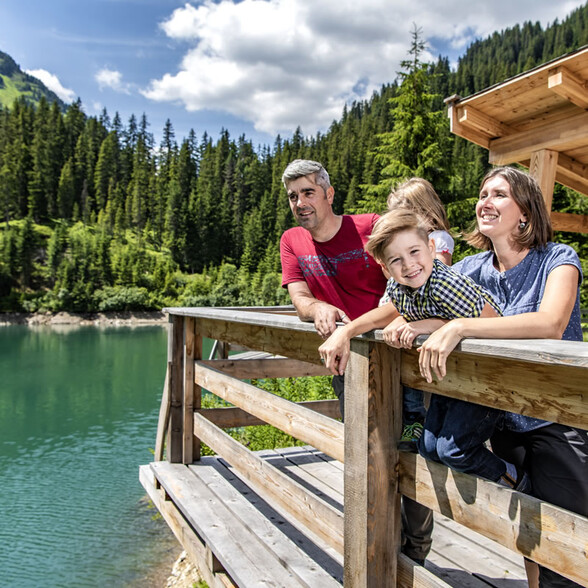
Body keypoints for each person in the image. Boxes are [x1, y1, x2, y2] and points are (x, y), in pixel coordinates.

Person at [406, 166, 587, 588]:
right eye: (483, 193)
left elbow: (550, 323)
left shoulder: (558, 259)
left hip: (558, 420)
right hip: (505, 420)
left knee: (571, 544)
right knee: (533, 537)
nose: (484, 201)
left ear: (524, 211)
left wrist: (461, 326)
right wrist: (413, 324)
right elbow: (421, 296)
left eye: (499, 194)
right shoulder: (470, 267)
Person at [279, 159, 434, 566]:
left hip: (402, 357)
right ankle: (379, 548)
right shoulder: (292, 240)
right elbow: (298, 298)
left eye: (308, 192)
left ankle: (414, 556)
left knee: (410, 450)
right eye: (293, 196)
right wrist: (318, 309)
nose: (300, 202)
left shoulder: (369, 226)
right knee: (366, 455)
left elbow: (415, 278)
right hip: (349, 365)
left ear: (329, 194)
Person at [319, 209, 531, 491]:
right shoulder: (398, 286)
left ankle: (519, 482)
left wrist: (426, 324)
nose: (409, 265)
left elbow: (492, 324)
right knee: (429, 448)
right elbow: (383, 314)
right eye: (396, 260)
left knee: (452, 451)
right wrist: (346, 331)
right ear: (385, 267)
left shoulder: (445, 283)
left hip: (485, 379)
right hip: (452, 380)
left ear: (431, 248)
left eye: (415, 252)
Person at [384, 178, 455, 446]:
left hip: (423, 314)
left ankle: (415, 420)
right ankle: (409, 420)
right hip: (409, 310)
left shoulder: (437, 239)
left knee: (414, 370)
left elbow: (436, 273)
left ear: (422, 211)